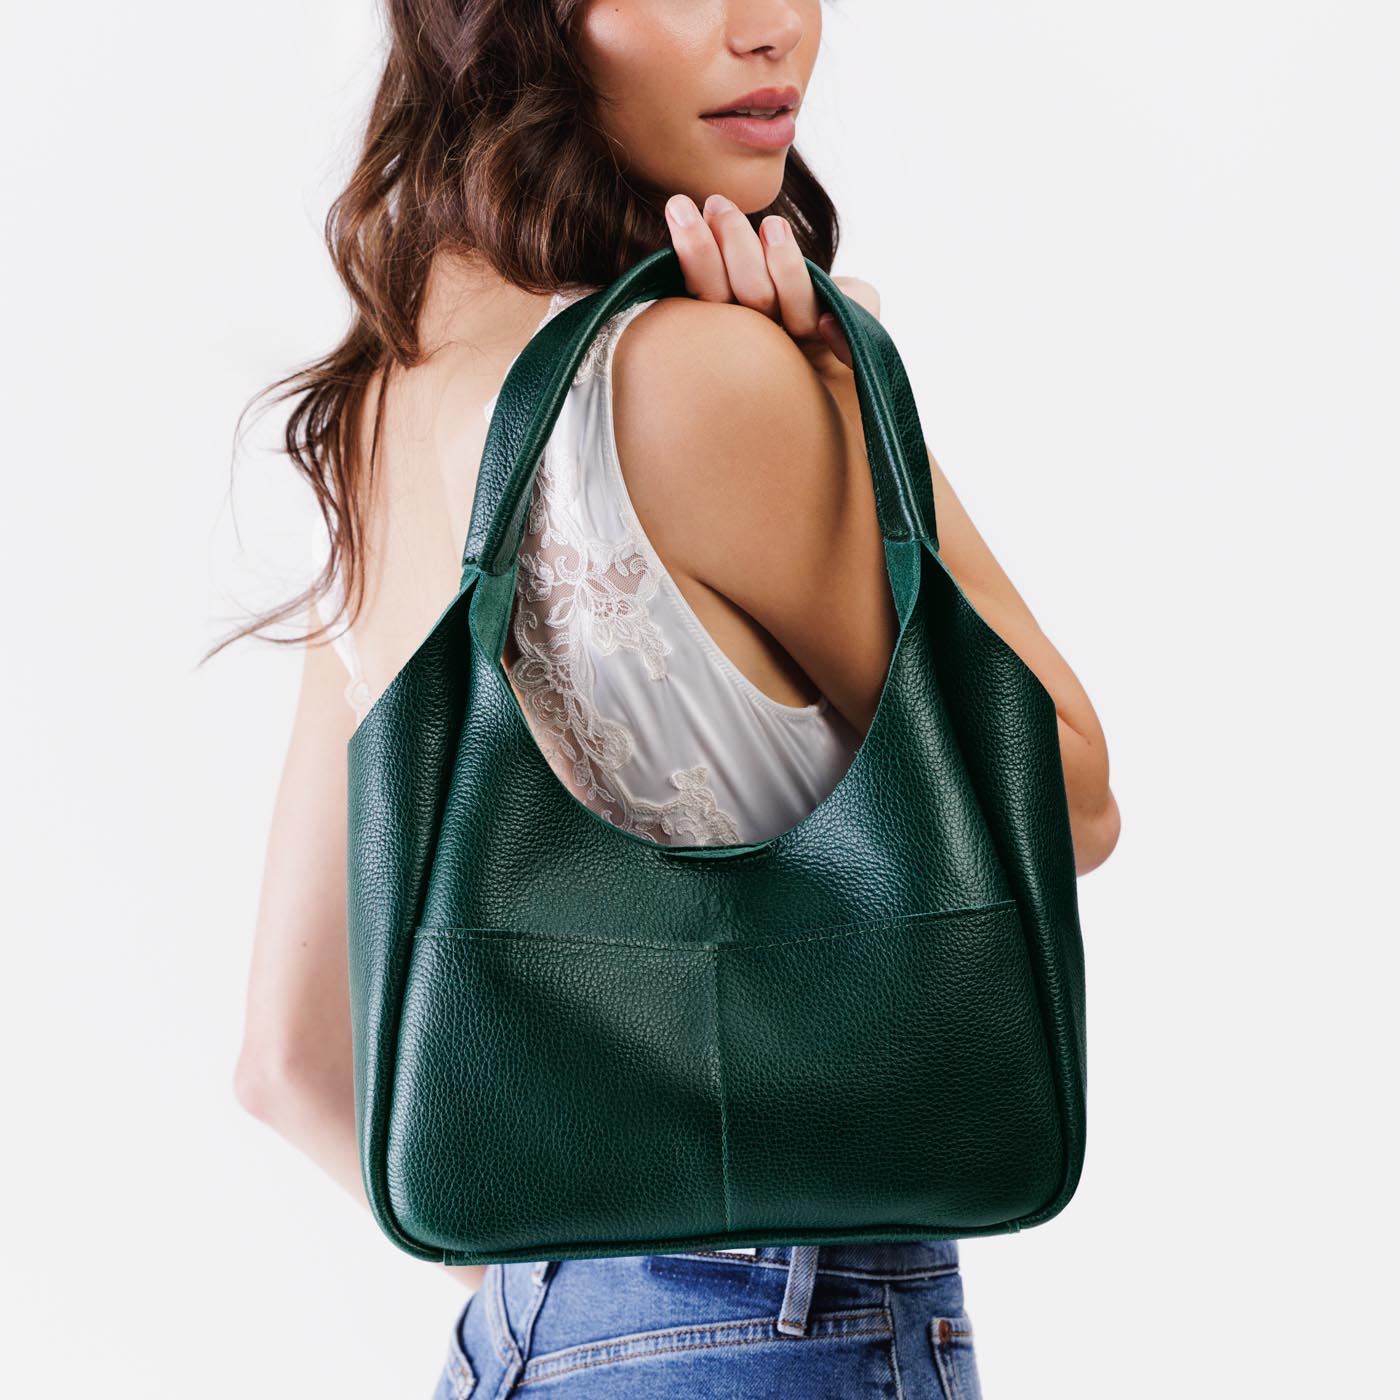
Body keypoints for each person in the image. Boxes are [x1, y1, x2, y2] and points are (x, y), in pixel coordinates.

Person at [222, 2, 1120, 1395]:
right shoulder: (707, 376)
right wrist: (851, 400)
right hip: (783, 1327)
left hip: (520, 1346)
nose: (775, 29)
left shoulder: (378, 409)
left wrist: (598, 1295)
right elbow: (1070, 798)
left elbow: (289, 1061)